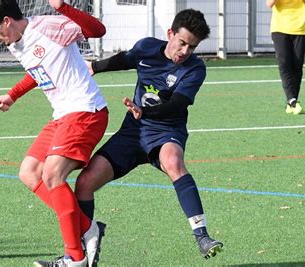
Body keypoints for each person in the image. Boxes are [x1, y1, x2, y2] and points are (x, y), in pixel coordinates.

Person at [74, 9, 224, 259]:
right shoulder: (147, 48)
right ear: (170, 34)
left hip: (166, 131)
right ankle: (83, 249)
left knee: (174, 162)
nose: (185, 51)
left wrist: (144, 112)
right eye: (182, 43)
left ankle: (202, 237)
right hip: (133, 132)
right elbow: (126, 58)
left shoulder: (195, 69)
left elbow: (177, 104)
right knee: (84, 184)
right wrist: (95, 67)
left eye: (192, 47)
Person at [0, 0, 108, 266]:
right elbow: (39, 70)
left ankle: (75, 258)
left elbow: (98, 30)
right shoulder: (15, 42)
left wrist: (63, 7)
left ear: (7, 21)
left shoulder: (49, 26)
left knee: (52, 174)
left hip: (85, 111)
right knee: (29, 172)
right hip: (63, 115)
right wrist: (13, 95)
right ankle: (88, 229)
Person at [266, 0, 305, 115]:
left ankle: (291, 102)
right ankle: (292, 101)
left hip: (300, 28)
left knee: (297, 65)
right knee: (284, 62)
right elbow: (269, 4)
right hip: (279, 28)